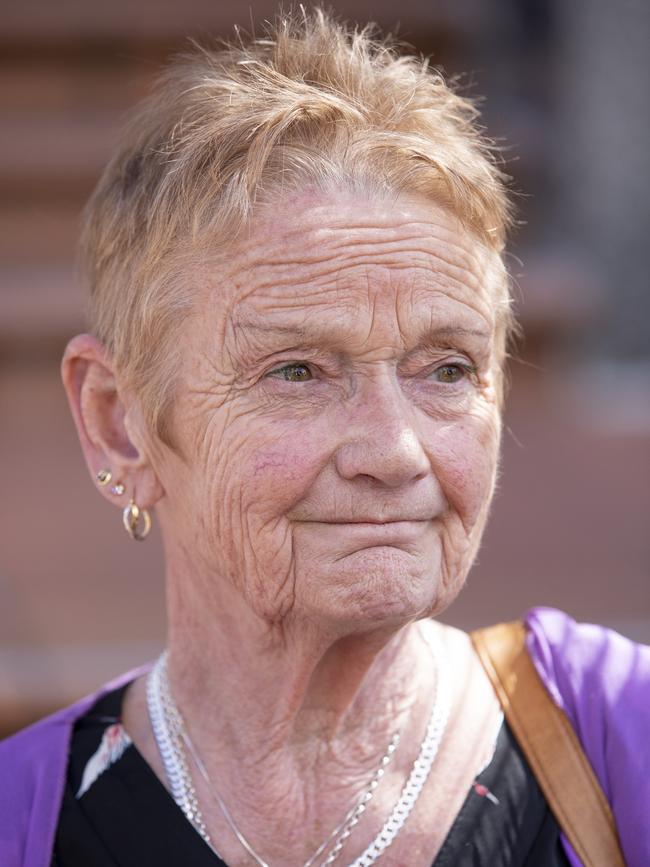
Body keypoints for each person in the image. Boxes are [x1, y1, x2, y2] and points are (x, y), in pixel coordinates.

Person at [1, 9, 648, 867]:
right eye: (297, 371)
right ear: (121, 425)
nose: (396, 450)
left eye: (448, 369)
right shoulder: (24, 818)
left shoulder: (621, 742)